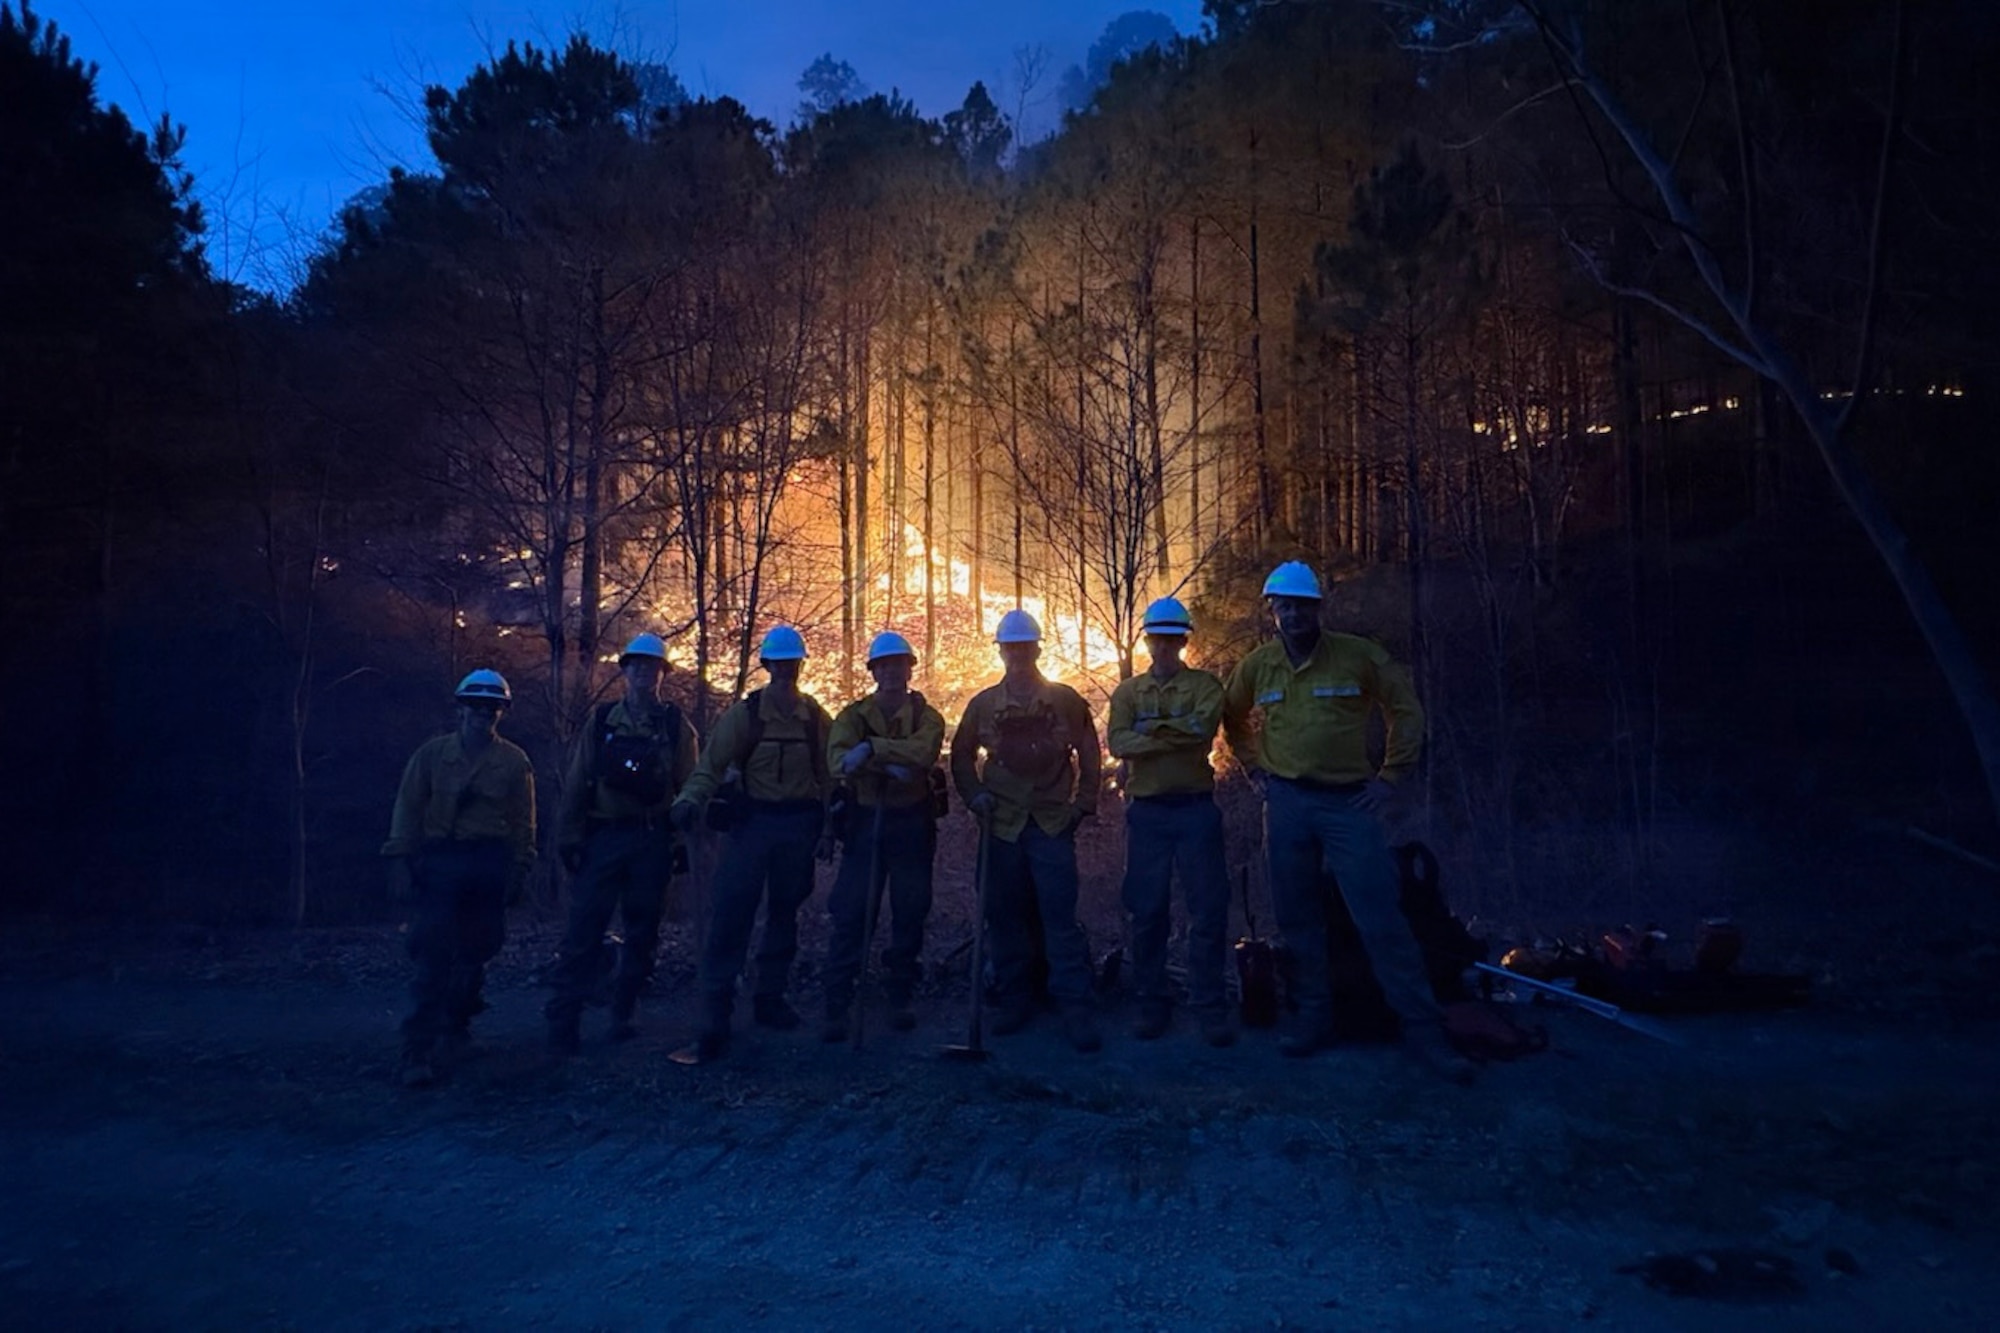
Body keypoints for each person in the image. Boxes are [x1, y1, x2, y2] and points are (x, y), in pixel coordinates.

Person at [1221, 561, 1474, 1081]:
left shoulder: (1358, 656)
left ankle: (1423, 1031)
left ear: (1318, 607)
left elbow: (1404, 708)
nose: (1292, 613)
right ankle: (1314, 1019)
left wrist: (1390, 776)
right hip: (1286, 803)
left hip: (1347, 805)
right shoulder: (1258, 666)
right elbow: (1232, 716)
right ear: (1272, 611)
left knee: (1380, 916)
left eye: (1301, 604)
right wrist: (1253, 769)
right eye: (1282, 605)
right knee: (1298, 920)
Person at [671, 625, 832, 1061]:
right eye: (777, 665)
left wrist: (832, 826)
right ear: (766, 667)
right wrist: (690, 799)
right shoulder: (746, 716)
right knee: (731, 915)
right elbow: (711, 764)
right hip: (752, 826)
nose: (785, 672)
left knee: (784, 915)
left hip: (797, 826)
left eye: (791, 665)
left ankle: (770, 998)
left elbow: (830, 775)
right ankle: (716, 1011)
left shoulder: (815, 719)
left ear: (799, 667)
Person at [950, 609, 1104, 1054]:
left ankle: (1073, 1005)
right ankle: (1015, 1000)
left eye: (1025, 646)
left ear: (1038, 649)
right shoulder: (983, 706)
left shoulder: (1064, 701)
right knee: (1005, 918)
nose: (1018, 654)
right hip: (1001, 826)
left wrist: (1083, 805)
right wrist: (974, 795)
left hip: (1052, 823)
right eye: (1010, 647)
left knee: (1059, 919)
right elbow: (961, 756)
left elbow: (1090, 751)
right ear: (1000, 651)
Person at [544, 633, 700, 1055]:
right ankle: (565, 1018)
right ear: (625, 671)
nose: (644, 673)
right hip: (605, 835)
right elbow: (578, 782)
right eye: (637, 666)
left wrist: (684, 841)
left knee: (643, 931)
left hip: (652, 838)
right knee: (584, 929)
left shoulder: (675, 726)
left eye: (652, 667)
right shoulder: (602, 722)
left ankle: (623, 1012)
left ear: (662, 674)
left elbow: (690, 784)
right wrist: (569, 836)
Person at [381, 669, 536, 1087]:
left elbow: (523, 822)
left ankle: (457, 1030)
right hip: (440, 862)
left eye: (491, 708)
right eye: (475, 707)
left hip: (487, 863)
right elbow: (408, 807)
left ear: (500, 713)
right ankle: (417, 1050)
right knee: (434, 956)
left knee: (478, 950)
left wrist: (520, 868)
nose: (482, 715)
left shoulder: (513, 761)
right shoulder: (431, 756)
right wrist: (399, 857)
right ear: (460, 708)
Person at [1107, 596, 1233, 1047]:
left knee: (1208, 911)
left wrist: (1149, 734)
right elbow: (1118, 742)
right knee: (1148, 912)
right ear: (1147, 641)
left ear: (1183, 641)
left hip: (1196, 809)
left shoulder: (1205, 686)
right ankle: (1150, 1001)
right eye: (1156, 638)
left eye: (1171, 639)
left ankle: (1209, 1004)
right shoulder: (1128, 693)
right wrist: (1171, 736)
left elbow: (1202, 732)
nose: (1163, 646)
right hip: (1148, 813)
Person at [820, 631, 947, 1043]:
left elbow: (924, 753)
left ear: (911, 669)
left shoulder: (928, 716)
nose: (892, 672)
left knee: (910, 910)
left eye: (900, 665)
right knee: (853, 912)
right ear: (874, 671)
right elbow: (839, 762)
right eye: (884, 666)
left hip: (911, 823)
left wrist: (872, 751)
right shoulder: (851, 715)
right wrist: (885, 762)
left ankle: (900, 996)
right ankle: (837, 1002)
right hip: (864, 822)